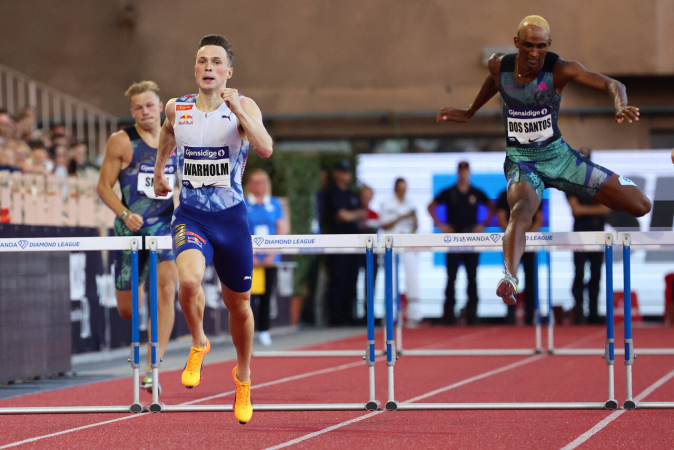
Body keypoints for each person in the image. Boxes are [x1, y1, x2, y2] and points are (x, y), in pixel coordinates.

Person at [437, 15, 651, 306]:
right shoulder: (499, 64)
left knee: (641, 205)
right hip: (522, 162)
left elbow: (613, 83)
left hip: (561, 158)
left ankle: (584, 188)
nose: (534, 53)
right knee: (521, 210)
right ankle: (509, 278)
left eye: (540, 46)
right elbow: (494, 80)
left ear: (549, 45)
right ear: (516, 43)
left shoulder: (561, 69)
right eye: (527, 46)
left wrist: (620, 104)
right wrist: (471, 110)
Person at [153, 34, 273, 424]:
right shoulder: (177, 107)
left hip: (232, 219)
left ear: (228, 71)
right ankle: (199, 342)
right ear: (195, 68)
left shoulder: (243, 104)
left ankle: (243, 377)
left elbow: (266, 148)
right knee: (188, 282)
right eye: (202, 61)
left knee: (239, 305)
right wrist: (159, 172)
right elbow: (169, 134)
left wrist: (238, 109)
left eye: (216, 62)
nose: (208, 67)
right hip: (191, 215)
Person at [97, 80, 179, 395]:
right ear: (132, 111)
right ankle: (147, 356)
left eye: (150, 105)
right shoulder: (122, 141)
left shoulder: (175, 137)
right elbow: (103, 187)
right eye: (138, 107)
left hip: (164, 224)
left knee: (165, 290)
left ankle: (152, 368)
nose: (145, 112)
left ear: (160, 107)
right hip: (130, 226)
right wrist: (123, 214)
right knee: (128, 309)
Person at [427, 161, 495, 325]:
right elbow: (430, 206)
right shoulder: (449, 192)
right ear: (458, 172)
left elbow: (491, 207)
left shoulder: (476, 192)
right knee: (451, 278)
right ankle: (449, 315)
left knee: (472, 277)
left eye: (466, 171)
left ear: (469, 172)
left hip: (471, 237)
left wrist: (482, 225)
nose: (464, 174)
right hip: (454, 237)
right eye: (461, 171)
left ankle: (472, 314)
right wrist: (441, 225)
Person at [244, 169, 288, 346]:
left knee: (267, 295)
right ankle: (247, 331)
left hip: (270, 259)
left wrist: (272, 254)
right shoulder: (243, 203)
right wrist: (249, 256)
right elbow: (239, 230)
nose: (258, 185)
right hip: (249, 258)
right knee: (247, 297)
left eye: (261, 181)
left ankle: (264, 330)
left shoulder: (275, 204)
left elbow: (282, 229)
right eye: (254, 181)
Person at [567, 147, 609, 324]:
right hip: (580, 235)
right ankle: (578, 313)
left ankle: (593, 312)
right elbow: (576, 210)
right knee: (579, 273)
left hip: (598, 235)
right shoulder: (571, 183)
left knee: (596, 274)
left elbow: (606, 209)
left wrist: (587, 211)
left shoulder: (600, 182)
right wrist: (596, 210)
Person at [323, 160, 367, 326]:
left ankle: (350, 315)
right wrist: (354, 214)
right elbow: (343, 216)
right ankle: (336, 317)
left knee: (352, 280)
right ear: (336, 173)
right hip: (338, 245)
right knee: (338, 280)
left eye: (347, 172)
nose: (345, 175)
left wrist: (352, 214)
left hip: (354, 245)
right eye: (342, 171)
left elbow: (362, 213)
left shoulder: (351, 194)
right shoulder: (333, 194)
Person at [496, 187, 542, 325]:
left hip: (529, 244)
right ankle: (510, 316)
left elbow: (539, 218)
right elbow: (501, 218)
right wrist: (514, 236)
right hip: (511, 245)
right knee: (509, 279)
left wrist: (527, 237)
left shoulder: (533, 193)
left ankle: (531, 316)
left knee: (531, 280)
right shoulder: (504, 195)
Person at [380, 178, 421, 327]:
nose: (403, 191)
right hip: (392, 243)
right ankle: (389, 316)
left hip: (408, 243)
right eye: (400, 188)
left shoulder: (411, 204)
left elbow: (415, 227)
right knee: (391, 278)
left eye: (405, 188)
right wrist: (401, 217)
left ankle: (414, 315)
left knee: (412, 278)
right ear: (395, 189)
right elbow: (384, 225)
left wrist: (414, 219)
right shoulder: (388, 204)